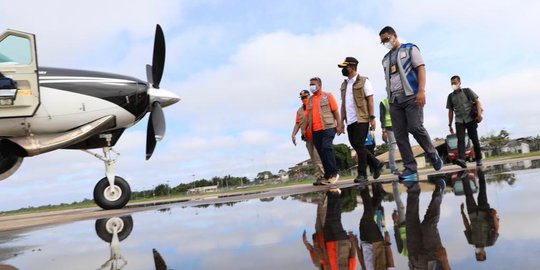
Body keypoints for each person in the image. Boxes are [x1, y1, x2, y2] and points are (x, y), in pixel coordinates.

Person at [379, 26, 443, 185]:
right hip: (394, 101)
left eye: (387, 39)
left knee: (415, 127)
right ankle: (410, 168)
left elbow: (421, 69)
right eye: (382, 41)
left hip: (412, 96)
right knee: (400, 136)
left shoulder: (410, 49)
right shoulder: (385, 59)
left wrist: (421, 91)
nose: (385, 42)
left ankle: (432, 153)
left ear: (394, 35)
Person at [337, 57, 384, 185]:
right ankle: (376, 163)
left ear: (352, 67)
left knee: (358, 144)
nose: (343, 70)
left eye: (344, 67)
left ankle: (362, 174)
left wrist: (372, 118)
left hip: (362, 118)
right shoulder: (344, 84)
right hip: (350, 121)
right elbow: (343, 105)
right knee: (358, 146)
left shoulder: (364, 81)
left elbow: (370, 100)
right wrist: (341, 122)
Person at [303, 188, 357, 269]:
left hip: (327, 242)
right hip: (341, 243)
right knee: (334, 219)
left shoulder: (322, 266)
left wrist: (309, 243)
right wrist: (353, 242)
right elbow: (352, 257)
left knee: (328, 217)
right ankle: (335, 194)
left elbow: (317, 254)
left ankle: (331, 194)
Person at [405, 176, 451, 269]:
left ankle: (412, 185)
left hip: (415, 261)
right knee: (428, 226)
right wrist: (444, 261)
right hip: (433, 260)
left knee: (411, 221)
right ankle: (439, 190)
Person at [307, 77, 343, 185]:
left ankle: (334, 173)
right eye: (310, 85)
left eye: (313, 84)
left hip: (328, 127)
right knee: (321, 152)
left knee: (327, 147)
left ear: (319, 85)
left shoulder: (327, 96)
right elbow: (308, 115)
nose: (311, 87)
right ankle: (327, 175)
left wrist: (339, 124)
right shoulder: (310, 100)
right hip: (315, 130)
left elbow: (335, 111)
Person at [459, 168, 499, 262]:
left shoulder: (471, 241)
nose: (478, 253)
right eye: (480, 254)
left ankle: (464, 177)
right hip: (484, 212)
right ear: (484, 253)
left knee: (468, 195)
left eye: (477, 255)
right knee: (482, 191)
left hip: (472, 214)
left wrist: (462, 213)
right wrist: (493, 216)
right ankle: (480, 173)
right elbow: (496, 229)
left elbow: (467, 226)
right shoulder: (490, 242)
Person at [354, 183, 395, 269]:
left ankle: (378, 196)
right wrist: (387, 243)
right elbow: (390, 262)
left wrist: (356, 246)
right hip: (377, 244)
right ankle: (364, 189)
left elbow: (362, 264)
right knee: (367, 219)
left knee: (364, 220)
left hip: (365, 243)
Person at [446, 75, 484, 167]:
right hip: (459, 120)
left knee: (474, 139)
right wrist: (450, 124)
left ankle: (478, 159)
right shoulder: (450, 96)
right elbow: (450, 111)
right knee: (460, 140)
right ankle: (462, 160)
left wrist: (479, 114)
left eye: (455, 83)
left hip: (470, 119)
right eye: (452, 83)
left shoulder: (467, 91)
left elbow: (477, 102)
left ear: (459, 83)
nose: (453, 85)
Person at [292, 90, 325, 185]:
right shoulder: (299, 111)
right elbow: (297, 123)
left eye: (305, 97)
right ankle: (319, 177)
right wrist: (293, 134)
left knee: (317, 156)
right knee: (313, 158)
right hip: (308, 138)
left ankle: (323, 176)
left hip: (317, 135)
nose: (304, 99)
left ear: (309, 96)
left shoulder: (315, 105)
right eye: (302, 98)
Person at [380, 98, 399, 175]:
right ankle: (393, 168)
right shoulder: (383, 102)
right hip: (389, 127)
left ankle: (408, 166)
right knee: (393, 147)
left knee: (402, 146)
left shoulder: (397, 99)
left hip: (398, 125)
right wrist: (383, 131)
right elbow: (382, 117)